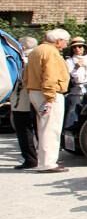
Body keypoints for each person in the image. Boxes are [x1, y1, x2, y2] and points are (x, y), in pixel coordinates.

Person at [23, 28, 70, 173]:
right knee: (51, 128)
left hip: (35, 91)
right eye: (65, 41)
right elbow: (50, 76)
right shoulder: (51, 52)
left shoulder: (36, 51)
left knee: (43, 127)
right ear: (58, 41)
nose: (66, 44)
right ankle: (48, 163)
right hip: (48, 93)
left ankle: (43, 161)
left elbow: (26, 75)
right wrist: (50, 98)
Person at [11, 37, 39, 169]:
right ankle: (43, 157)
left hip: (21, 100)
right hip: (38, 97)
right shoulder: (38, 57)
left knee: (23, 130)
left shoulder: (20, 60)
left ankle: (30, 159)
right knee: (40, 129)